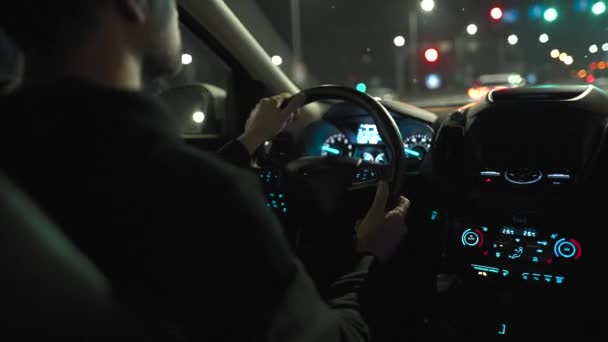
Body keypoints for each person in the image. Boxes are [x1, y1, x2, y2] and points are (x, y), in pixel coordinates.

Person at [0, 1, 409, 341]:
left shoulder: (24, 160)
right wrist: (368, 255)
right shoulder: (209, 206)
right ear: (135, 5)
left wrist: (247, 144)